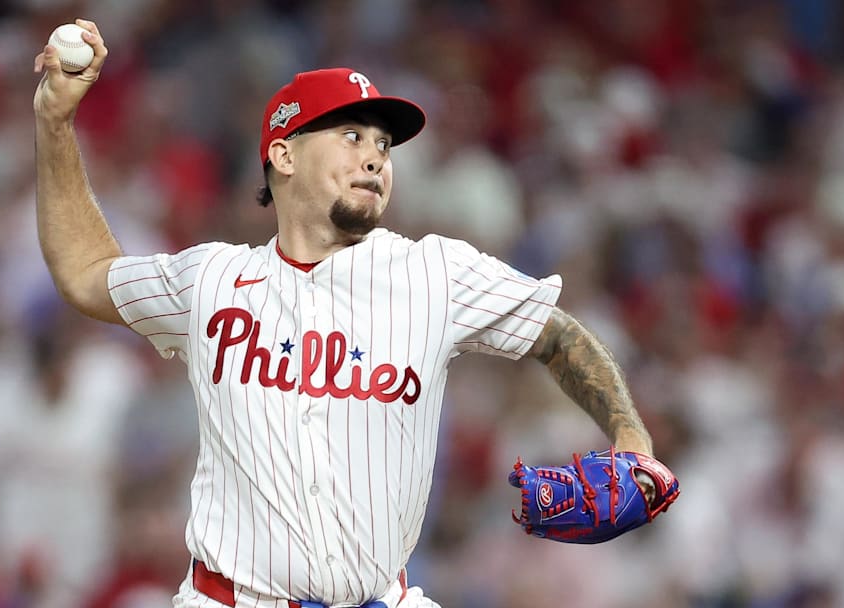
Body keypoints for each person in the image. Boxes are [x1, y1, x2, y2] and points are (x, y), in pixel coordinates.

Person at [33, 19, 660, 608]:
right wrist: (56, 125)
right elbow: (86, 274)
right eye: (351, 136)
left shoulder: (434, 273)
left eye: (383, 144)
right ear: (284, 155)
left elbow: (559, 336)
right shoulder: (212, 279)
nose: (376, 158)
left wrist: (633, 442)